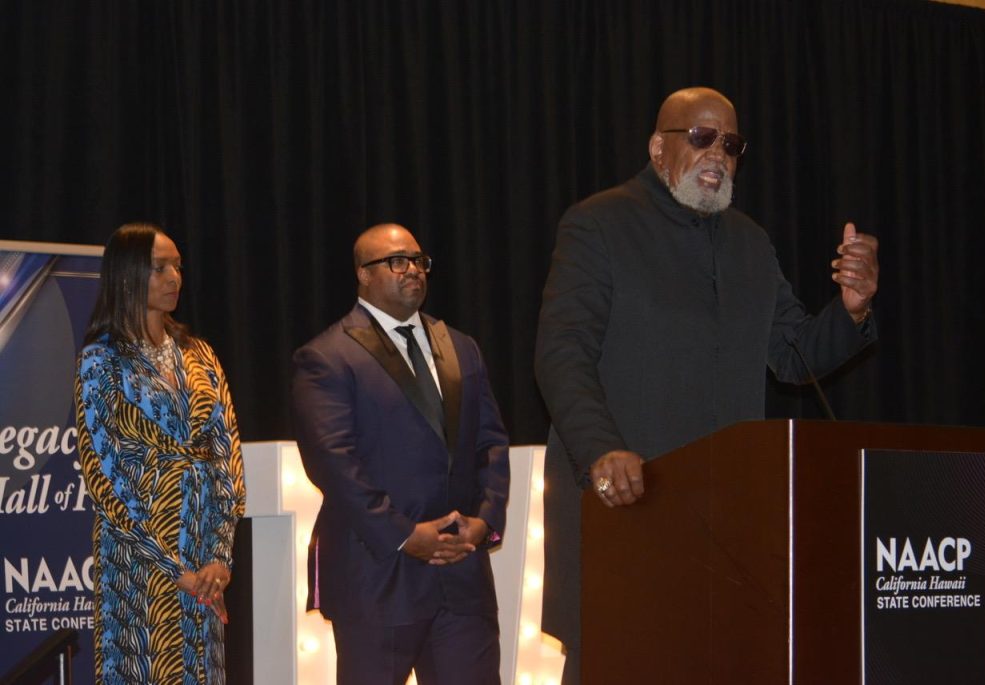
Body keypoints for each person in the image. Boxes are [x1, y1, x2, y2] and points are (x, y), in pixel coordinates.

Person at [534, 87, 879, 684]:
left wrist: (851, 310)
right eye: (700, 137)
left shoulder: (749, 241)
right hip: (629, 505)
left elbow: (794, 355)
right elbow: (562, 353)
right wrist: (601, 451)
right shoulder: (599, 223)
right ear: (658, 147)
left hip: (725, 522)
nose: (718, 153)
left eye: (732, 144)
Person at [291, 223, 510, 685]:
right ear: (363, 275)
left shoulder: (462, 347)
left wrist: (484, 522)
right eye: (396, 261)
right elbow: (333, 462)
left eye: (418, 260)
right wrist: (404, 534)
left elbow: (491, 441)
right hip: (378, 576)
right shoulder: (326, 356)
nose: (411, 270)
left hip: (461, 576)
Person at [75, 222, 246, 683]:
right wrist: (175, 569)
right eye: (160, 267)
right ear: (127, 274)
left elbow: (227, 456)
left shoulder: (200, 355)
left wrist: (219, 560)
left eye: (177, 266)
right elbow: (102, 476)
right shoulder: (101, 360)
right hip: (139, 561)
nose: (175, 277)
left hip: (204, 554)